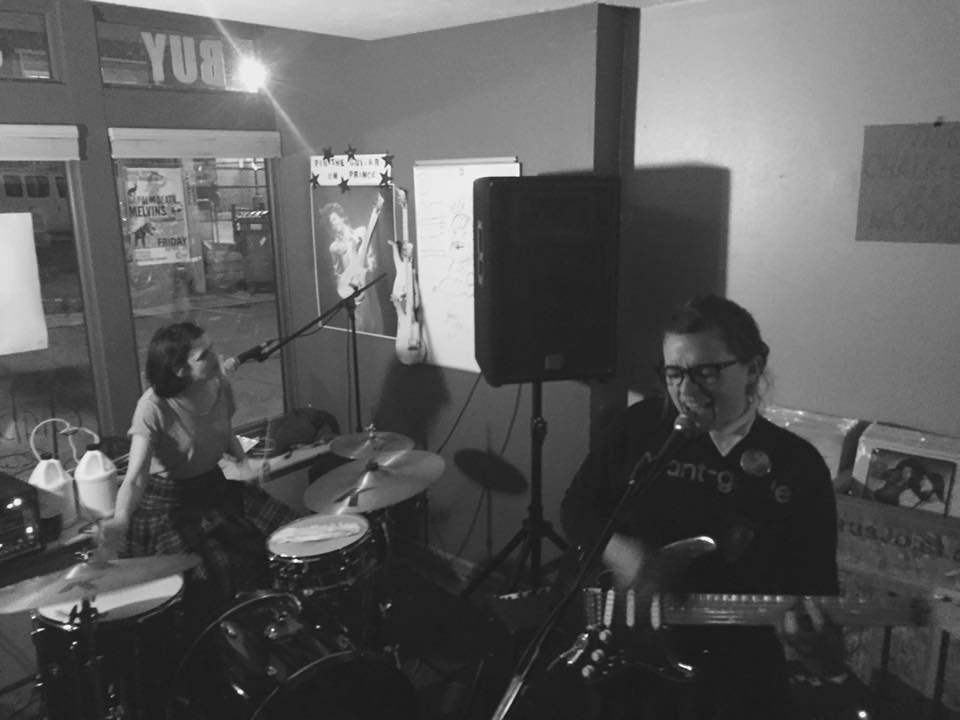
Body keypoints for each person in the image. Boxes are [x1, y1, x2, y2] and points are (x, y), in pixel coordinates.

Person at [560, 294, 854, 720]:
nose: (686, 391)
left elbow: (816, 587)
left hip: (735, 678)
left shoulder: (798, 466)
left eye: (706, 373)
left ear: (752, 369)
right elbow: (577, 508)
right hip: (628, 661)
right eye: (674, 374)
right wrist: (622, 552)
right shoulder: (640, 427)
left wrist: (813, 645)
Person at [99, 321, 300, 626]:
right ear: (180, 370)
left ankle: (264, 627)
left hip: (213, 487)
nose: (216, 358)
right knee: (213, 575)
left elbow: (224, 432)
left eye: (211, 348)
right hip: (169, 502)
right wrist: (120, 519)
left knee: (286, 533)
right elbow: (136, 477)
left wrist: (244, 463)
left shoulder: (220, 386)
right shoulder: (152, 407)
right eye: (204, 355)